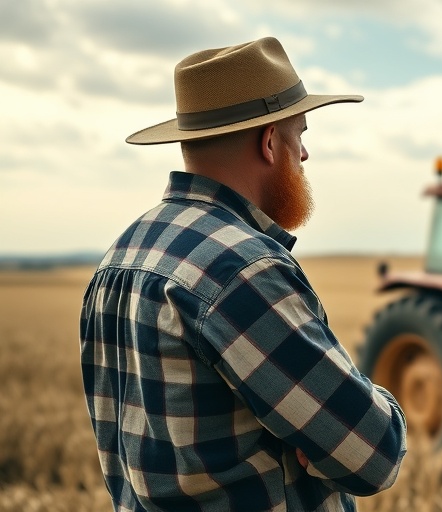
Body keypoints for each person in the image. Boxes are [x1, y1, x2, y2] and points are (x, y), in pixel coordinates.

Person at [79, 37, 407, 512]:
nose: (305, 155)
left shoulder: (120, 257)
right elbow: (374, 454)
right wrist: (349, 413)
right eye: (301, 135)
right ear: (270, 142)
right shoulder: (243, 272)